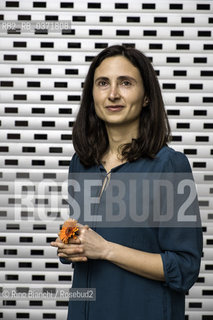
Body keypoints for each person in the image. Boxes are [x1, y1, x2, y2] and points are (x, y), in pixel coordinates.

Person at [51, 45, 203, 320]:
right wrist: (68, 242)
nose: (112, 94)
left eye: (126, 83)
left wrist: (107, 249)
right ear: (92, 95)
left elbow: (185, 268)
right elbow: (80, 228)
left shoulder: (169, 166)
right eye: (103, 83)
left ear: (146, 97)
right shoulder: (81, 163)